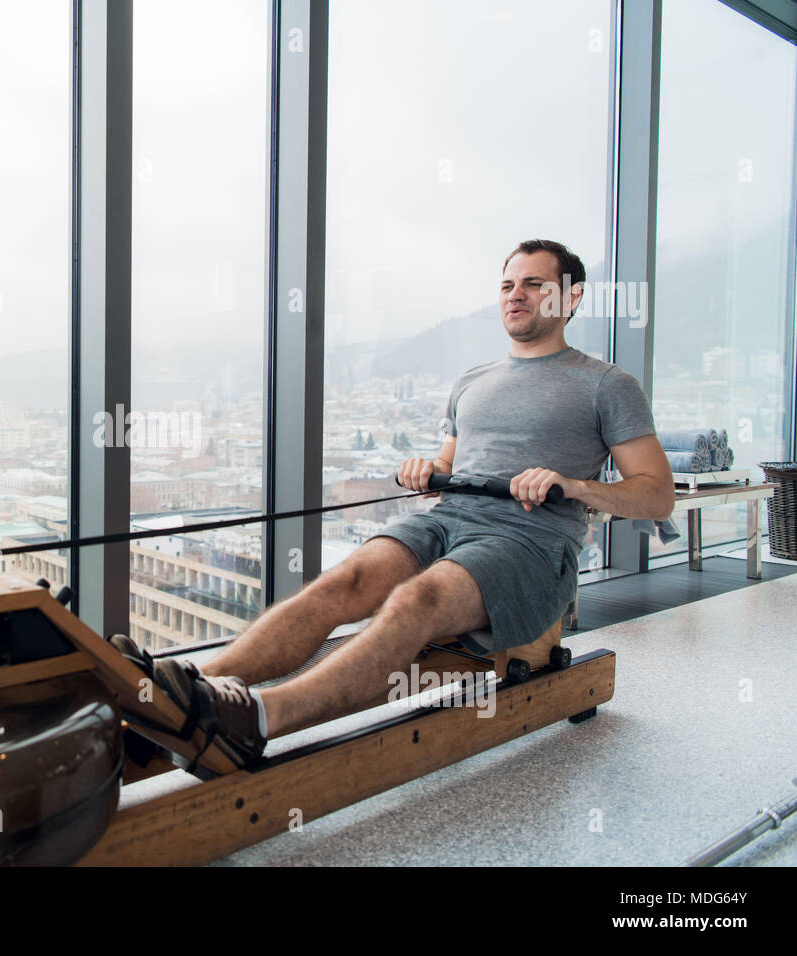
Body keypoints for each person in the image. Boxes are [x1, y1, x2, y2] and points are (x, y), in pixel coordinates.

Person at [114, 238, 675, 768]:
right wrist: (429, 471)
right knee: (342, 583)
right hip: (450, 519)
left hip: (529, 543)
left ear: (571, 297)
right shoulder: (473, 380)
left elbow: (656, 493)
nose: (515, 295)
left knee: (416, 601)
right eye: (507, 285)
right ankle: (190, 686)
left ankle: (261, 717)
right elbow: (451, 466)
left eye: (534, 284)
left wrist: (574, 486)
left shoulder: (606, 384)